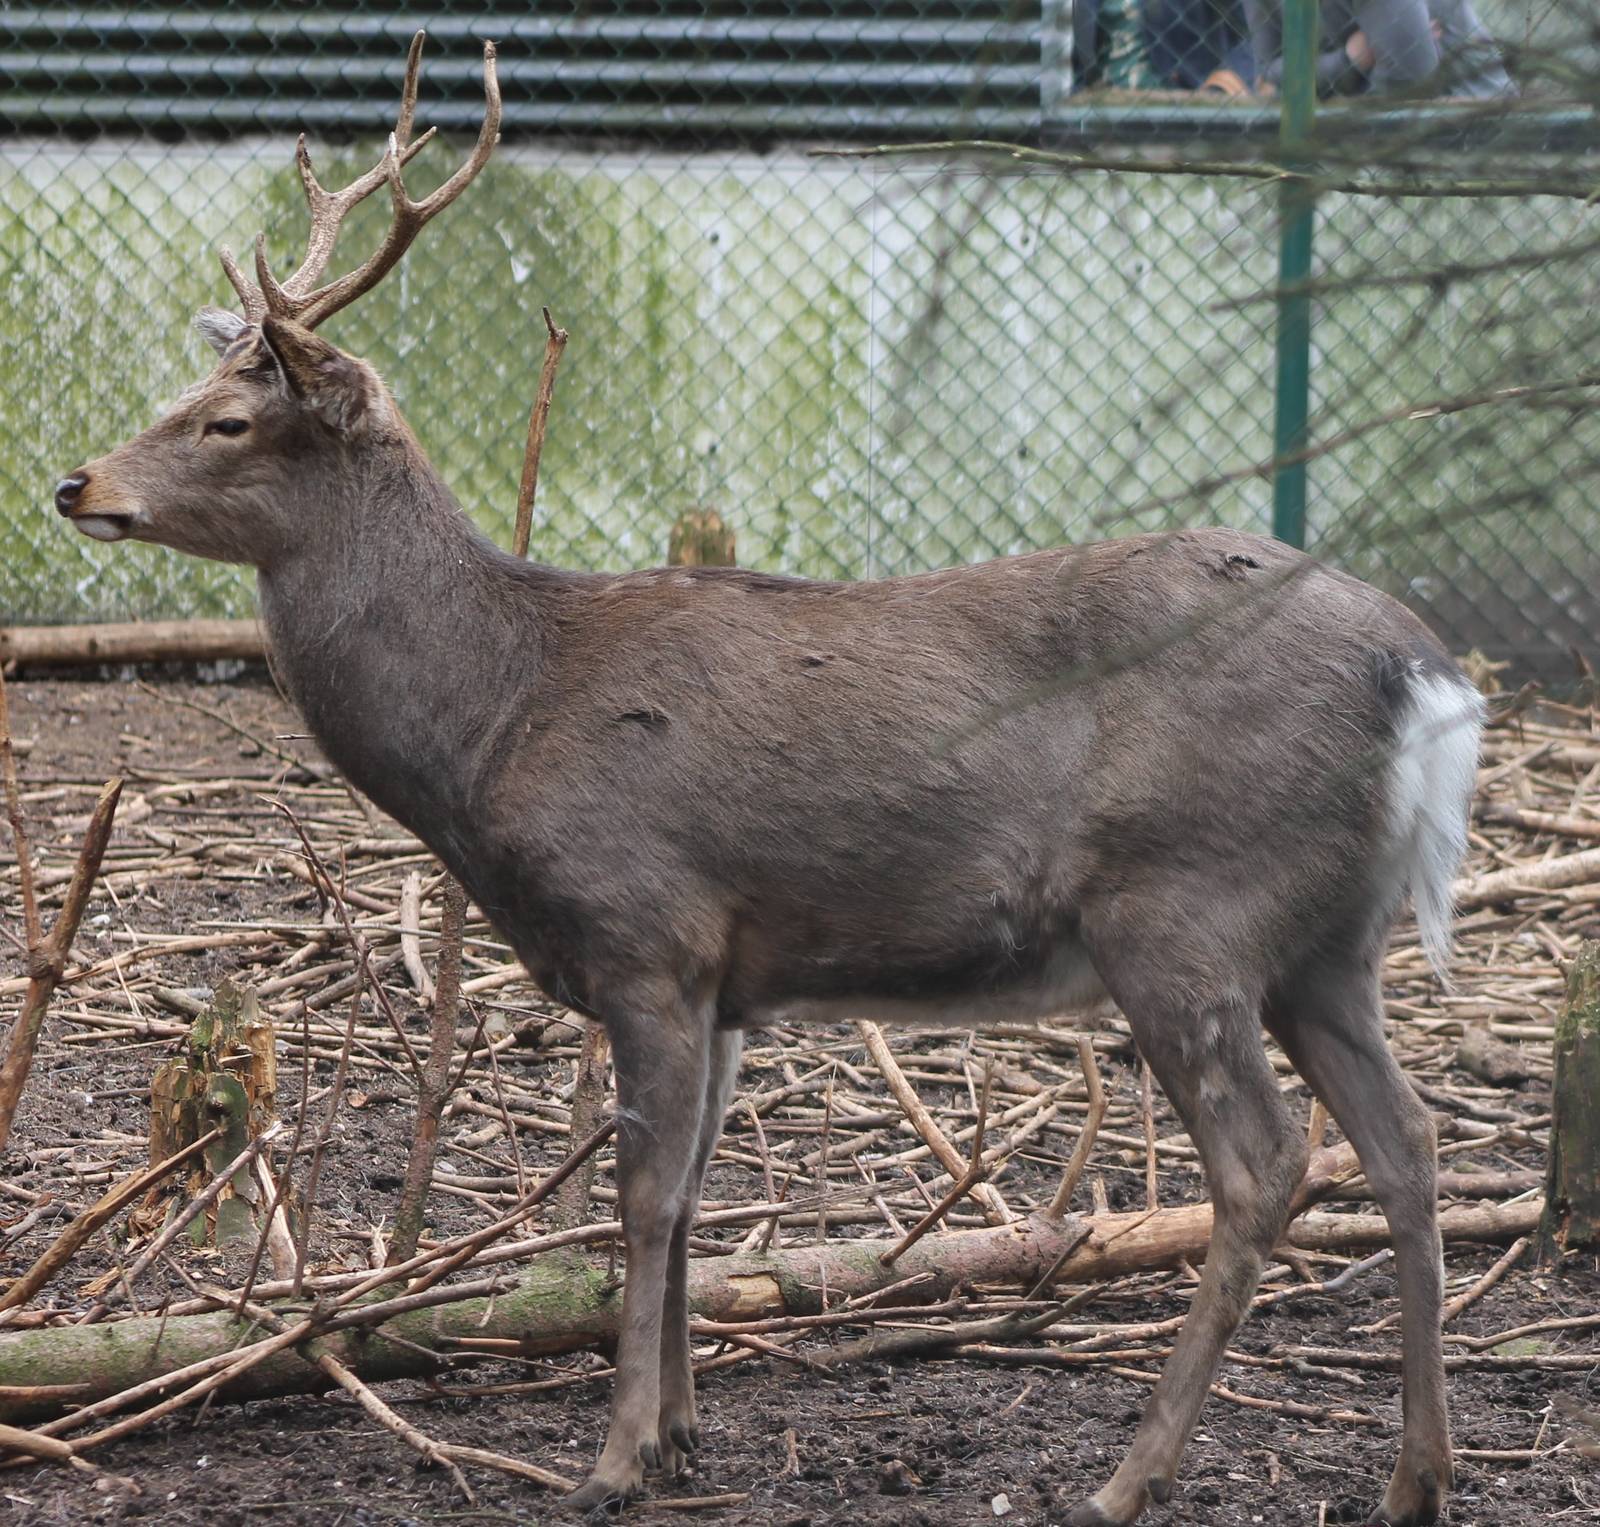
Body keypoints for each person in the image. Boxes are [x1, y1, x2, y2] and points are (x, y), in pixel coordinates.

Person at [1244, 0, 1515, 97]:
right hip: (1355, 121)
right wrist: (1349, 60)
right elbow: (1270, 71)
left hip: (1466, 123)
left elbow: (1410, 84)